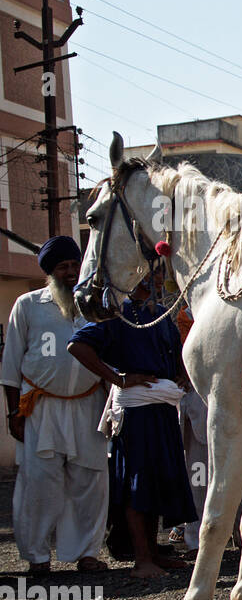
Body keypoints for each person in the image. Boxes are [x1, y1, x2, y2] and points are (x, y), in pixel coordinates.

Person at [68, 269, 196, 578]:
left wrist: (180, 372)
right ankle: (141, 559)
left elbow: (174, 350)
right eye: (142, 276)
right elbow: (77, 345)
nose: (149, 282)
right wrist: (119, 379)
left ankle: (153, 552)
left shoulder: (161, 314)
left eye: (154, 276)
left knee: (159, 480)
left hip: (163, 408)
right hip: (137, 411)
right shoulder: (118, 314)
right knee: (137, 482)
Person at [1, 236, 109, 573]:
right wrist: (14, 412)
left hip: (89, 405)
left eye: (75, 266)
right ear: (50, 272)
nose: (71, 272)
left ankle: (88, 553)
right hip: (40, 409)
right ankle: (36, 557)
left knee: (90, 481)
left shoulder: (95, 307)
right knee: (40, 481)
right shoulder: (28, 304)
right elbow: (11, 365)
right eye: (63, 267)